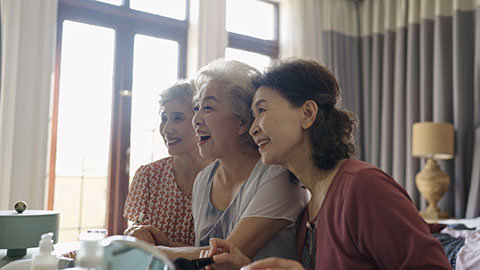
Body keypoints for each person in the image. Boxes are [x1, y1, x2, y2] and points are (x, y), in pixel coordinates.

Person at [205, 59, 451, 270]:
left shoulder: (363, 187)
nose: (253, 128)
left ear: (307, 113)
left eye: (262, 110)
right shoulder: (309, 212)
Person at [155, 59, 308, 263]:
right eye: (196, 107)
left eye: (208, 108)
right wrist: (161, 243)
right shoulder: (203, 180)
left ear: (243, 122)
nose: (196, 119)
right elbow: (204, 253)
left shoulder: (277, 174)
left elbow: (222, 257)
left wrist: (143, 249)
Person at [123, 80, 212, 246]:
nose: (166, 129)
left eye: (178, 118)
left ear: (199, 121)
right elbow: (136, 238)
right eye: (164, 118)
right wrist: (133, 234)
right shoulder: (147, 176)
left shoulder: (222, 177)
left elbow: (223, 254)